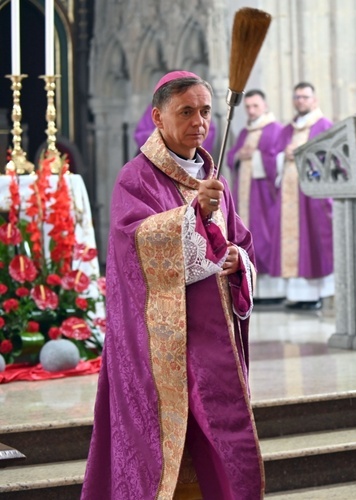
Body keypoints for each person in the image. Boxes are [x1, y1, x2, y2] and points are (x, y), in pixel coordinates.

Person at [82, 71, 263, 499]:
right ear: (158, 118)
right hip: (165, 345)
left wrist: (239, 262)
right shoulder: (136, 177)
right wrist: (191, 215)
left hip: (216, 343)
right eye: (186, 112)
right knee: (165, 445)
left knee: (221, 439)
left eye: (205, 111)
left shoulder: (212, 176)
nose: (199, 121)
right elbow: (133, 248)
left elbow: (237, 242)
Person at [273, 82, 334, 310]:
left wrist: (302, 154)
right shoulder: (287, 130)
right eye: (297, 97)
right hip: (289, 195)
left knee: (314, 241)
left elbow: (332, 159)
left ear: (314, 100)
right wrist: (283, 156)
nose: (301, 101)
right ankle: (299, 295)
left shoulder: (324, 126)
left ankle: (318, 294)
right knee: (294, 243)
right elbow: (274, 157)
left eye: (305, 97)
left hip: (313, 197)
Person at [227, 89, 286, 301]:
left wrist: (257, 157)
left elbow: (277, 160)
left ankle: (274, 291)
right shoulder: (245, 132)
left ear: (265, 106)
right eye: (248, 107)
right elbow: (231, 156)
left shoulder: (275, 129)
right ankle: (252, 290)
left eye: (255, 106)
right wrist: (238, 156)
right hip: (246, 197)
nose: (251, 111)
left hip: (265, 196)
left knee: (266, 238)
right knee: (245, 236)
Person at [134, 100, 218, 155]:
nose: (197, 122)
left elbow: (209, 131)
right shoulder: (158, 108)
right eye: (186, 113)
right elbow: (141, 134)